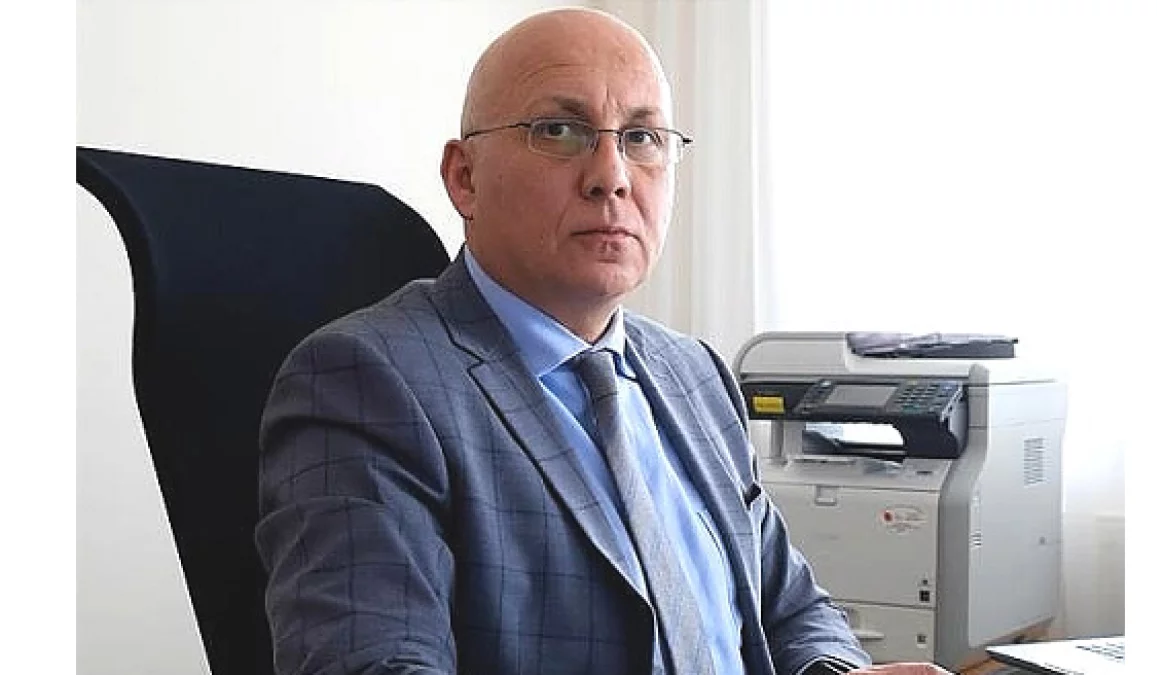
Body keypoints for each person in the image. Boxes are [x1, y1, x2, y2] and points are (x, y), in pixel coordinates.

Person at [255, 8, 954, 675]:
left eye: (642, 138)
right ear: (464, 178)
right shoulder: (366, 381)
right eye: (559, 130)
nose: (612, 177)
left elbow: (790, 606)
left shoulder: (695, 373)